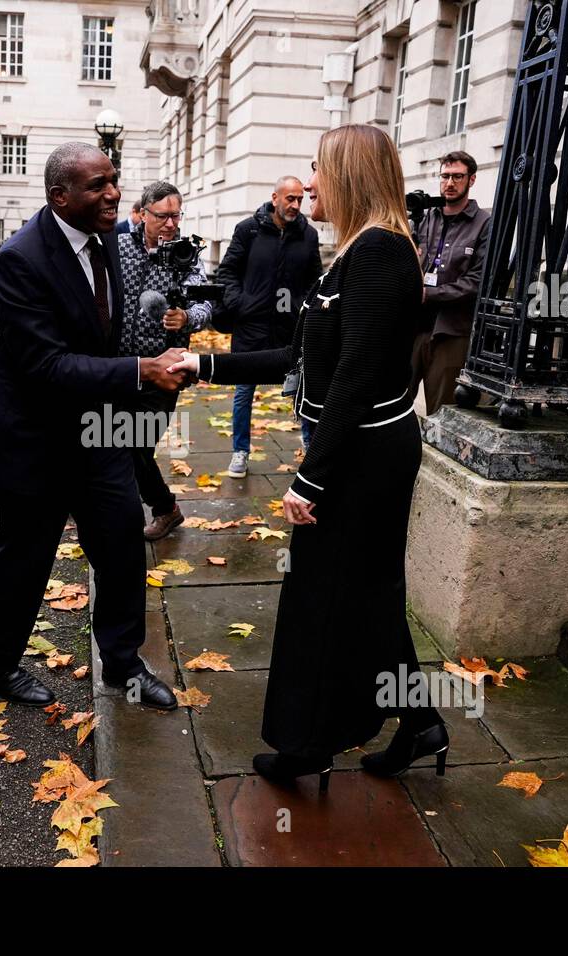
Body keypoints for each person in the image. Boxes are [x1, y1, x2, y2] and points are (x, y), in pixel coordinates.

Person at [167, 124, 448, 788]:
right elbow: (295, 356)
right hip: (356, 452)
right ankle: (418, 722)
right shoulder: (354, 252)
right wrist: (202, 363)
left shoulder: (380, 251)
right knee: (370, 595)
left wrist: (311, 478)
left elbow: (353, 377)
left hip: (362, 460)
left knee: (324, 597)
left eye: (319, 169)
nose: (310, 182)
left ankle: (307, 745)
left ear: (348, 175)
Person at [0, 142, 186, 711]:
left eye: (114, 180)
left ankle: (123, 666)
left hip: (97, 431)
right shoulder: (19, 259)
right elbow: (47, 365)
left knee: (121, 548)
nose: (113, 193)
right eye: (97, 185)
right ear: (60, 196)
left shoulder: (107, 237)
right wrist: (141, 371)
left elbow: (104, 331)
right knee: (25, 557)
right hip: (32, 435)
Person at [115, 181, 215, 540]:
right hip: (121, 366)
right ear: (142, 214)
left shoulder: (186, 252)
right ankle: (147, 507)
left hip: (167, 369)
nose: (172, 223)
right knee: (112, 441)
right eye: (163, 216)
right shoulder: (119, 245)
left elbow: (206, 303)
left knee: (135, 444)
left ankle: (165, 509)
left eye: (176, 215)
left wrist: (188, 318)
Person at [215, 176, 323, 477]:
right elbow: (227, 272)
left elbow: (316, 280)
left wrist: (301, 307)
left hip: (289, 329)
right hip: (251, 327)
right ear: (275, 197)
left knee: (304, 387)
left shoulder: (308, 235)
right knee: (243, 392)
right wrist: (241, 303)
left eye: (300, 199)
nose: (296, 205)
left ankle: (311, 449)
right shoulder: (248, 230)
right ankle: (240, 451)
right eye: (290, 198)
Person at [411, 150, 491, 413]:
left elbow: (478, 280)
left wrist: (430, 294)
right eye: (445, 176)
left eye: (458, 176)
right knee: (392, 401)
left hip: (452, 330)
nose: (450, 182)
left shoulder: (484, 223)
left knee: (442, 410)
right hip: (413, 326)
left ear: (472, 180)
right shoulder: (424, 217)